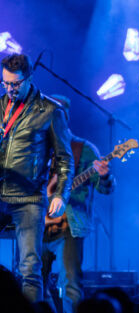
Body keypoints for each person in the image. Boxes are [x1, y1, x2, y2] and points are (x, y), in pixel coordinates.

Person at [0, 53, 74, 302]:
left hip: (28, 198)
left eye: (15, 84)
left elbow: (65, 158)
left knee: (29, 269)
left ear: (29, 79)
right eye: (5, 83)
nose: (9, 89)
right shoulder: (0, 105)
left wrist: (62, 194)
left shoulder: (51, 110)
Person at [41, 95, 116, 313]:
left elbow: (106, 189)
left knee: (71, 286)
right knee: (33, 283)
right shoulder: (36, 148)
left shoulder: (83, 149)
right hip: (37, 226)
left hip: (69, 228)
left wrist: (103, 175)